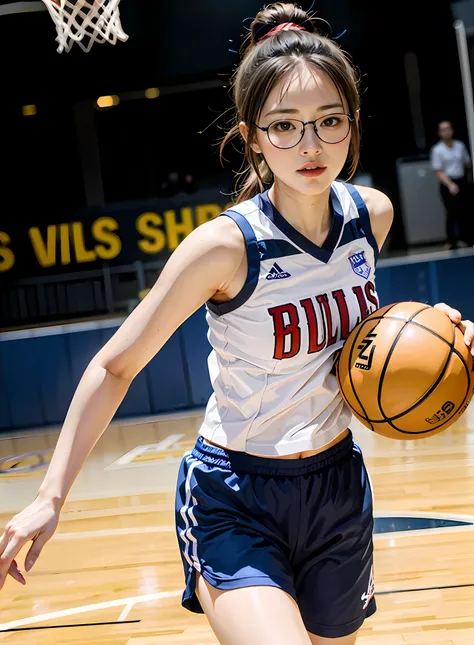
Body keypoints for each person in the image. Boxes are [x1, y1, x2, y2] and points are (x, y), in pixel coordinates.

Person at [1, 4, 473, 645]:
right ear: (253, 136)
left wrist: (428, 333)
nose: (310, 146)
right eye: (285, 127)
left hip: (336, 488)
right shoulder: (224, 248)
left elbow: (360, 335)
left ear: (353, 126)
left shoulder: (373, 217)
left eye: (328, 122)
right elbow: (116, 365)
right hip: (236, 494)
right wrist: (50, 497)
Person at [430, 120, 473, 249]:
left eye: (448, 129)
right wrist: (450, 184)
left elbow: (467, 163)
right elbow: (438, 171)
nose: (446, 132)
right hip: (447, 182)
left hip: (462, 180)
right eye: (443, 130)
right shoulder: (437, 150)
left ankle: (467, 238)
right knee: (451, 212)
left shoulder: (459, 146)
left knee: (465, 211)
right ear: (439, 133)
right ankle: (451, 241)